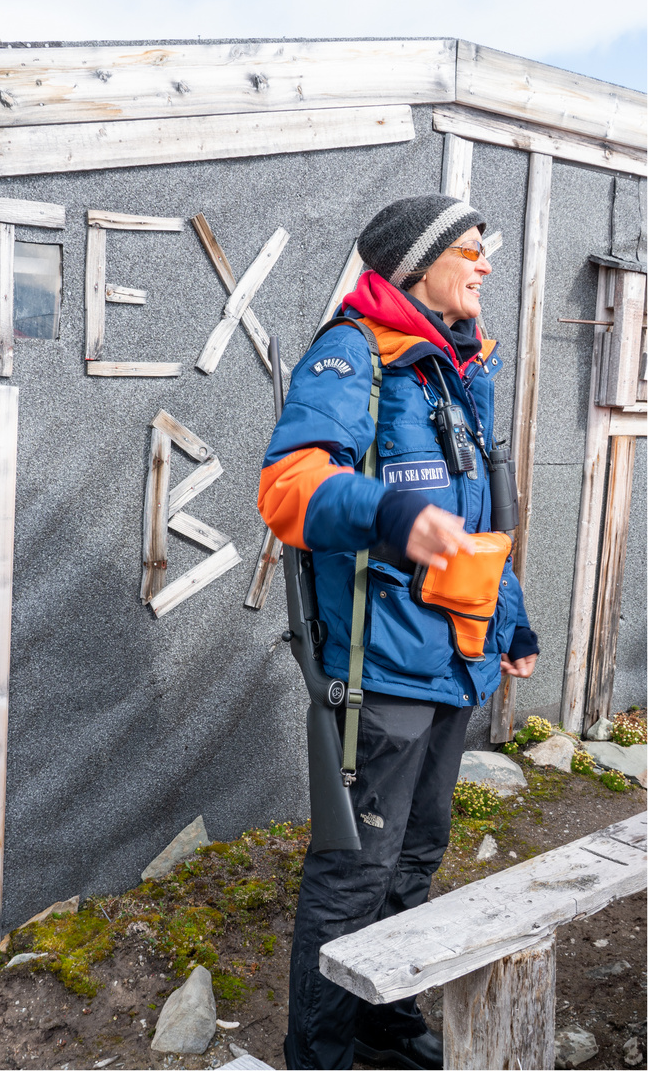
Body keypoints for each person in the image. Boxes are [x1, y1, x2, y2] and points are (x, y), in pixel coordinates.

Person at [257, 194, 540, 1071]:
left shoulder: (451, 369)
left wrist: (512, 618)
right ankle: (321, 1054)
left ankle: (384, 1021)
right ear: (415, 266)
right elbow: (288, 488)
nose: (485, 264)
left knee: (416, 857)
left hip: (454, 663)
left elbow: (473, 522)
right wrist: (388, 511)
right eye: (468, 249)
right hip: (380, 672)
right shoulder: (355, 355)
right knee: (354, 873)